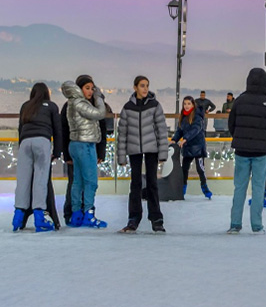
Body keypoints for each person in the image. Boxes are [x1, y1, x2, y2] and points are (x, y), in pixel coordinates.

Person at [227, 68, 266, 234]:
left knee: (239, 187)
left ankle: (235, 224)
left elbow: (231, 124)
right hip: (261, 152)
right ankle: (257, 225)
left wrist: (239, 139)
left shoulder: (239, 101)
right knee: (259, 188)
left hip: (241, 151)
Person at [116, 75, 169, 233]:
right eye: (142, 85)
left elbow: (161, 130)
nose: (145, 88)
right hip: (134, 150)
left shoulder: (155, 106)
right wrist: (121, 156)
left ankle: (156, 220)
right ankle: (133, 219)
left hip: (152, 149)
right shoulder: (127, 108)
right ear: (135, 87)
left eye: (147, 85)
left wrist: (163, 153)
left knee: (152, 184)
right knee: (135, 184)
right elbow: (122, 133)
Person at [60, 75, 109, 229]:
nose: (90, 91)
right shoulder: (80, 103)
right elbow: (100, 114)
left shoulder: (70, 103)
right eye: (87, 88)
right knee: (91, 182)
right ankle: (88, 214)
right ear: (79, 89)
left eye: (92, 89)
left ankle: (76, 215)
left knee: (78, 181)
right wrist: (99, 98)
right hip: (85, 145)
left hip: (75, 145)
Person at [12, 83, 62, 232]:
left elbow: (20, 129)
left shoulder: (25, 106)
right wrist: (57, 152)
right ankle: (40, 219)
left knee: (23, 180)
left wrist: (21, 146)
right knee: (40, 179)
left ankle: (17, 217)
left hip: (25, 143)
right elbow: (57, 131)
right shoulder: (52, 106)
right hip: (42, 141)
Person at [173, 95, 211, 200]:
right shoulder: (183, 116)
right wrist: (174, 139)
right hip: (187, 147)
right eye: (185, 104)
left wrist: (185, 138)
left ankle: (205, 188)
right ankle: (182, 189)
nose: (186, 106)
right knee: (184, 169)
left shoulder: (197, 116)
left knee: (200, 170)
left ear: (193, 105)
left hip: (198, 147)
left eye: (189, 104)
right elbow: (179, 130)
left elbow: (196, 129)